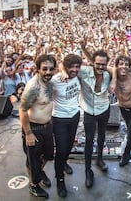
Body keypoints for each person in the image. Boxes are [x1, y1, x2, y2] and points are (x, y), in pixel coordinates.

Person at [19, 54, 56, 198]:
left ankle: (39, 173)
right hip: (34, 128)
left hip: (48, 126)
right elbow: (22, 110)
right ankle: (33, 185)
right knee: (33, 160)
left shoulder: (51, 81)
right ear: (38, 69)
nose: (48, 72)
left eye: (51, 69)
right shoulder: (33, 87)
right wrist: (28, 133)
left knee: (47, 155)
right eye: (44, 69)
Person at [78, 49, 112, 188]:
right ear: (92, 63)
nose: (100, 67)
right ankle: (88, 170)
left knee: (102, 135)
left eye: (103, 64)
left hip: (104, 108)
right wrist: (62, 71)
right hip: (89, 110)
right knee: (89, 139)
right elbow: (65, 65)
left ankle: (99, 159)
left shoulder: (109, 74)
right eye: (97, 64)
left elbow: (117, 70)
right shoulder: (84, 71)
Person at [51, 54, 82, 197]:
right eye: (71, 67)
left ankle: (63, 163)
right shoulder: (55, 80)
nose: (75, 69)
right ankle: (60, 180)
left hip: (74, 116)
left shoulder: (78, 75)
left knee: (69, 146)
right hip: (59, 119)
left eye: (77, 66)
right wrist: (62, 69)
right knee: (61, 149)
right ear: (66, 66)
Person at [113, 55, 131, 167]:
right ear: (116, 66)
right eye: (121, 64)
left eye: (126, 64)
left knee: (130, 131)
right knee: (128, 127)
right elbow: (94, 62)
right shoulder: (113, 74)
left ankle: (126, 154)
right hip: (122, 107)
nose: (123, 67)